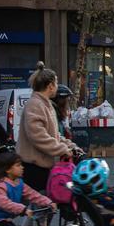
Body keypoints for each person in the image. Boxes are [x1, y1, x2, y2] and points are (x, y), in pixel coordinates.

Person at [16, 63, 78, 194]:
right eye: (56, 83)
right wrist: (62, 150)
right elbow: (38, 136)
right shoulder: (35, 105)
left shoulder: (46, 104)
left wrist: (71, 146)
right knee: (42, 207)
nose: (56, 86)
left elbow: (53, 135)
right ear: (50, 85)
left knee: (47, 206)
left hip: (43, 165)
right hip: (34, 167)